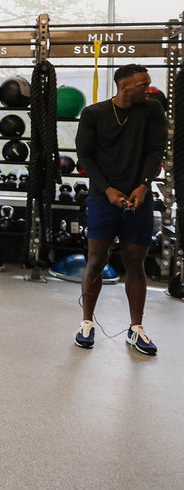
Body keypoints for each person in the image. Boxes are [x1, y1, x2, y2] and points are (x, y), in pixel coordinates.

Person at [74, 64, 167, 355]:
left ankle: (136, 328)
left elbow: (156, 151)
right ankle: (86, 322)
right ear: (124, 86)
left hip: (140, 197)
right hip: (103, 198)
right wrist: (108, 189)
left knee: (136, 263)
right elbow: (85, 156)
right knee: (96, 261)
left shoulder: (152, 111)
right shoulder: (93, 114)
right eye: (143, 84)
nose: (148, 88)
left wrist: (143, 185)